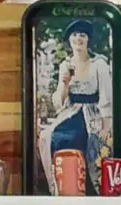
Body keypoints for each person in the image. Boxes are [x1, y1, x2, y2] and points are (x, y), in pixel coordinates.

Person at [41, 17, 112, 191]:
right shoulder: (66, 64)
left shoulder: (99, 64)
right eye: (74, 35)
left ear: (88, 39)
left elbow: (106, 96)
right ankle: (58, 186)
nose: (78, 39)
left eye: (82, 35)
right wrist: (64, 85)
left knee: (82, 139)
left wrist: (106, 126)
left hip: (92, 113)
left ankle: (86, 187)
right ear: (69, 39)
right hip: (71, 111)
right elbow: (59, 103)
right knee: (46, 136)